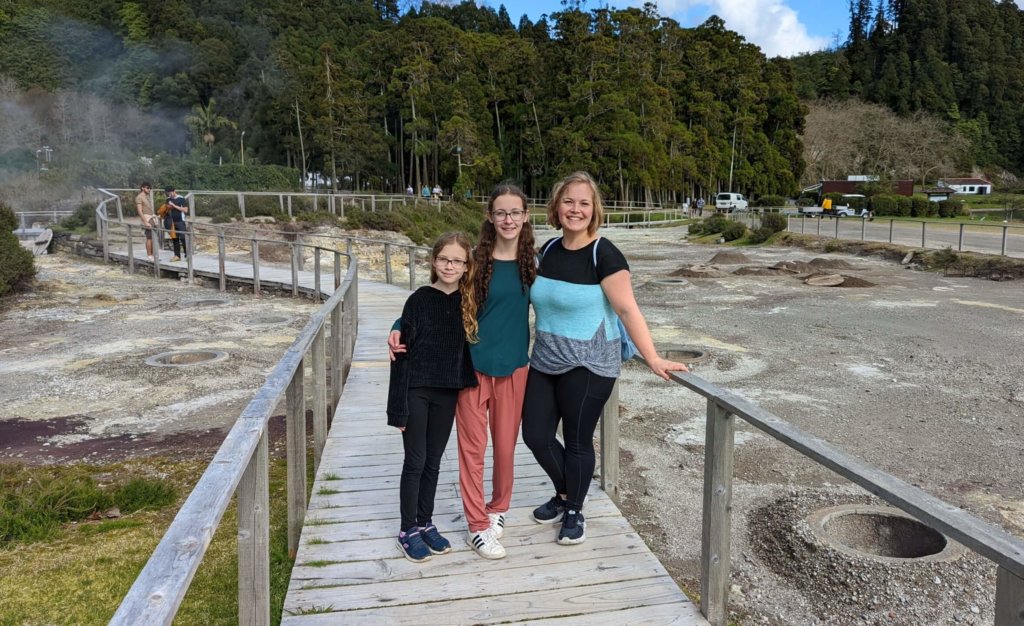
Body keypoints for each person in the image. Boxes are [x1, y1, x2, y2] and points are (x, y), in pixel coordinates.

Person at [522, 171, 688, 546]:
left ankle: (575, 509)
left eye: (584, 203)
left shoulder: (604, 253)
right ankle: (566, 493)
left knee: (578, 441)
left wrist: (653, 358)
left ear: (594, 210)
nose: (575, 209)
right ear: (556, 206)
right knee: (535, 435)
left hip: (591, 362)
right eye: (568, 201)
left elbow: (629, 311)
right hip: (546, 359)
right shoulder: (547, 250)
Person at [389, 183, 537, 560]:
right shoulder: (474, 262)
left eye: (514, 212)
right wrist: (397, 324)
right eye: (500, 212)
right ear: (490, 216)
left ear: (525, 216)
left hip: (515, 367)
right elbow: (438, 296)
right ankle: (476, 525)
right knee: (472, 451)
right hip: (469, 368)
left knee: (505, 450)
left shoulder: (532, 263)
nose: (507, 219)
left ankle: (497, 509)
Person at [387, 232, 480, 563]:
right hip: (416, 390)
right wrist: (396, 409)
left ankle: (425, 522)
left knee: (434, 460)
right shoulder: (418, 299)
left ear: (467, 266)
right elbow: (401, 355)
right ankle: (406, 529)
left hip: (448, 393)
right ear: (433, 261)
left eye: (457, 260)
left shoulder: (470, 303)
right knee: (415, 459)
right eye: (444, 259)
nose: (450, 265)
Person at [163, 186, 189, 261]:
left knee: (183, 238)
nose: (170, 195)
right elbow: (166, 210)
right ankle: (177, 255)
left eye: (171, 193)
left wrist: (174, 206)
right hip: (171, 221)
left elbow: (185, 210)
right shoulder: (168, 199)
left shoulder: (181, 198)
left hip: (180, 221)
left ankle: (187, 255)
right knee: (174, 238)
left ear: (174, 191)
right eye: (168, 193)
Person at [134, 182, 158, 261]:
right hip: (146, 218)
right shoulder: (139, 197)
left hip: (151, 218)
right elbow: (140, 211)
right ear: (142, 188)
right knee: (149, 237)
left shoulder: (147, 196)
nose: (149, 189)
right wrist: (145, 222)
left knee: (153, 237)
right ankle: (149, 255)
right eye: (147, 188)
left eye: (150, 188)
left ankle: (153, 255)